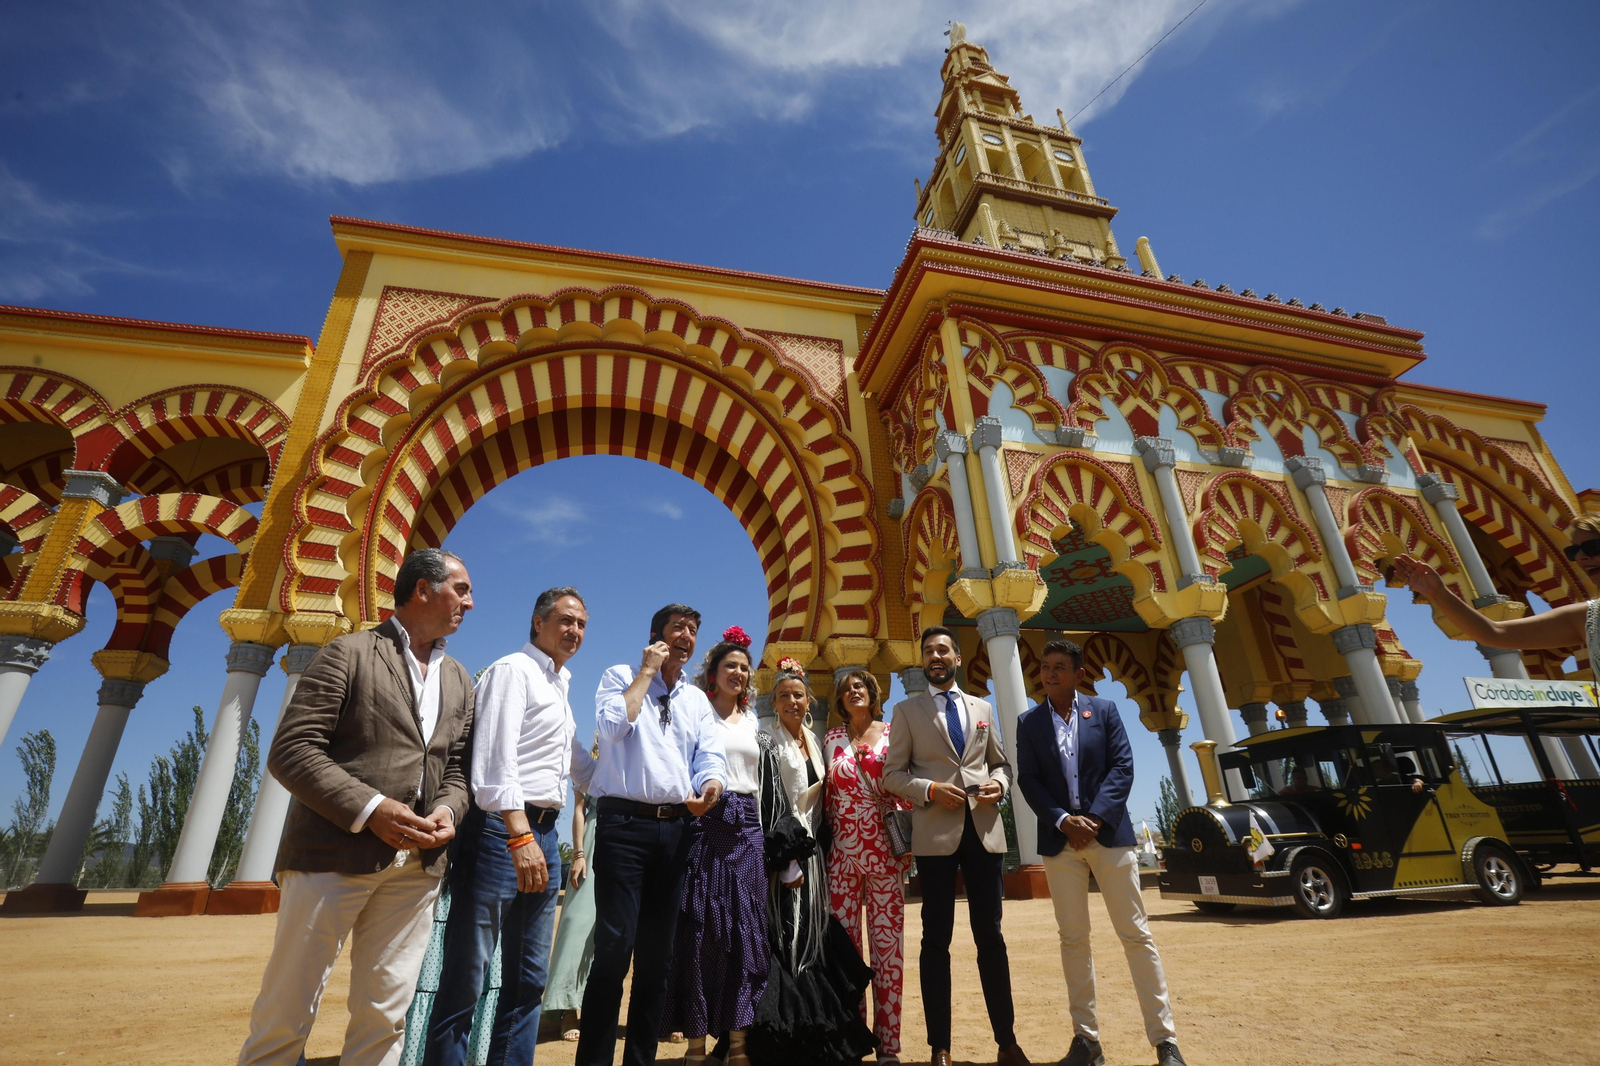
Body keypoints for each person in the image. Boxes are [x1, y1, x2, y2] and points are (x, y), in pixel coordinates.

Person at [237, 548, 476, 1066]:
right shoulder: (350, 652)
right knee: (288, 1009)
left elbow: (456, 766)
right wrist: (373, 809)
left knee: (385, 1012)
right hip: (332, 854)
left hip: (416, 869)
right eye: (462, 589)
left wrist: (448, 813)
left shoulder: (459, 677)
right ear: (422, 590)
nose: (470, 604)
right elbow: (292, 749)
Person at [422, 587, 595, 1066]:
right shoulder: (512, 671)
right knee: (467, 977)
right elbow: (495, 763)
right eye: (565, 620)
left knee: (528, 980)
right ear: (537, 622)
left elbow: (584, 768)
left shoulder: (560, 687)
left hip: (545, 832)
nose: (574, 631)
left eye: (581, 624)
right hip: (504, 833)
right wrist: (519, 836)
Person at [1015, 639, 1188, 1066]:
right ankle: (1086, 1040)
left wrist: (1092, 818)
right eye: (1045, 666)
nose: (1050, 673)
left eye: (1059, 667)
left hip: (1108, 835)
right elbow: (1029, 780)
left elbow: (1123, 766)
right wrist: (1062, 821)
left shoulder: (1105, 711)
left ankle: (1165, 1041)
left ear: (1078, 673)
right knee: (1073, 940)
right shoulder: (1029, 722)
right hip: (1060, 842)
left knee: (1135, 934)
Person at [575, 604, 728, 1066]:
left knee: (658, 958)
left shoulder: (697, 700)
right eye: (678, 628)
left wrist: (710, 785)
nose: (687, 636)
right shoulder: (619, 675)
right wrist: (645, 672)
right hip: (623, 827)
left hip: (677, 828)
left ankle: (639, 1060)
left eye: (693, 630)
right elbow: (613, 727)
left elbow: (709, 754)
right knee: (614, 949)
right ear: (656, 635)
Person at [881, 627, 1028, 1066]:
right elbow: (892, 775)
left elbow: (1001, 764)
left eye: (942, 649)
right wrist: (929, 790)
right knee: (935, 940)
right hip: (935, 837)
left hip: (984, 833)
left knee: (992, 937)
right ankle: (939, 1047)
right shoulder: (906, 711)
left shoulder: (982, 707)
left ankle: (1007, 1042)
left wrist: (998, 786)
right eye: (928, 651)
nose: (934, 656)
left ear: (958, 658)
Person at [748, 658, 877, 1066]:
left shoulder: (815, 738)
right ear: (773, 701)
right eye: (783, 695)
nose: (791, 701)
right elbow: (769, 805)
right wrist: (786, 862)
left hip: (815, 857)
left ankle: (814, 1035)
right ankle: (781, 1038)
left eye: (798, 695)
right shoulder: (765, 741)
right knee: (784, 939)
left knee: (810, 939)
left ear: (810, 701)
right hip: (783, 858)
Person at [660, 627, 772, 1066]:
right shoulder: (694, 712)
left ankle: (738, 1045)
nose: (739, 674)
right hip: (704, 824)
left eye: (745, 668)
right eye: (731, 666)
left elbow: (762, 785)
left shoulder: (754, 722)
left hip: (747, 829)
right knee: (700, 933)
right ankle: (695, 1046)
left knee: (744, 936)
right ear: (712, 672)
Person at [824, 668, 911, 1065]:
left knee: (888, 952)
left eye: (860, 686)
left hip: (885, 853)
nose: (853, 692)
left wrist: (906, 846)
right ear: (839, 700)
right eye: (846, 689)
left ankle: (888, 1044)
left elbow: (906, 788)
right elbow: (824, 799)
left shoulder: (894, 733)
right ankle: (853, 1039)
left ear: (873, 693)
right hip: (841, 856)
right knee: (845, 951)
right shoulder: (831, 740)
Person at [1391, 511, 1600, 665]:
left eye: (1591, 547)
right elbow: (1495, 632)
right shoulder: (1586, 617)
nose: (1581, 557)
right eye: (1574, 551)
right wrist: (1438, 593)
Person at [545, 739, 602, 1042]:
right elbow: (579, 809)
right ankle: (567, 1008)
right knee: (577, 924)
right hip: (591, 845)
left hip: (626, 843)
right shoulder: (594, 761)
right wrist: (578, 854)